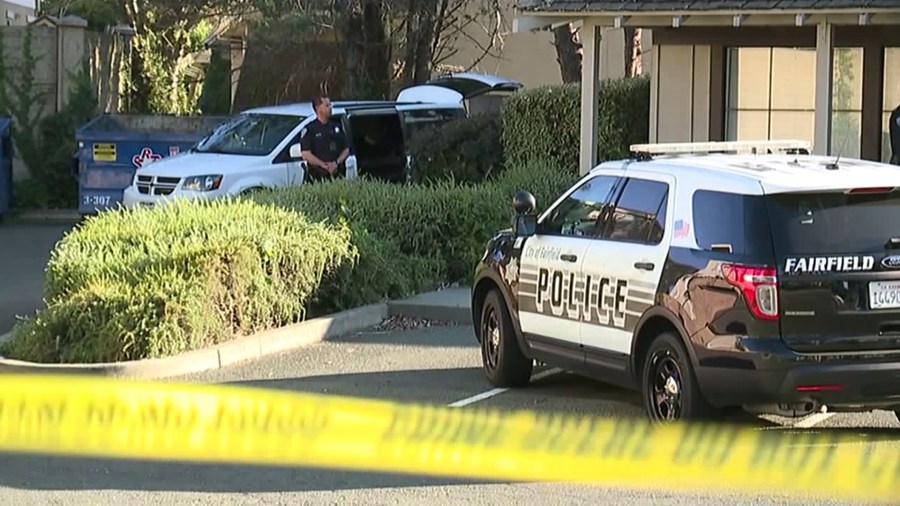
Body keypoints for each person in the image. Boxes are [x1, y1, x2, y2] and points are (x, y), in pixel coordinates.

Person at [300, 95, 350, 182]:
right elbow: (306, 154)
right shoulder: (310, 129)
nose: (331, 108)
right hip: (318, 176)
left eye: (330, 105)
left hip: (337, 175)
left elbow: (346, 150)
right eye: (327, 105)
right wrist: (324, 165)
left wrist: (336, 163)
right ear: (318, 108)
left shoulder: (337, 127)